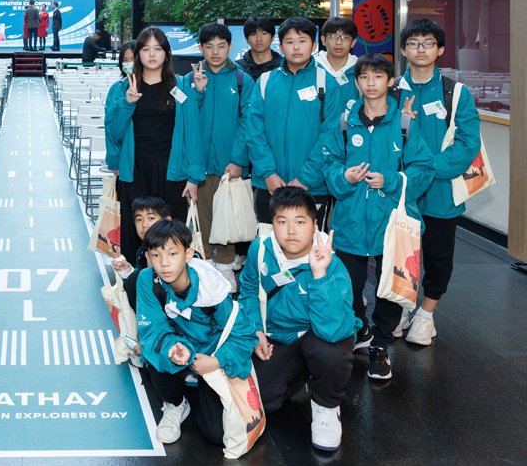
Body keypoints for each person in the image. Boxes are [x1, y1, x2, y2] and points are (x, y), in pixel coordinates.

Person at [322, 53, 434, 380]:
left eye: (378, 77)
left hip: (393, 224)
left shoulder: (405, 124)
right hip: (351, 222)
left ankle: (380, 344)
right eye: (365, 77)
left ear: (389, 82)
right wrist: (346, 177)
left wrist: (394, 180)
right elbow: (330, 166)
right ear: (356, 83)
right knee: (348, 286)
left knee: (390, 287)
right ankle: (361, 330)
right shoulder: (344, 124)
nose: (371, 83)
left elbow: (423, 168)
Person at [239, 187, 359, 451]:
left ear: (316, 225)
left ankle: (326, 405)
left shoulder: (331, 265)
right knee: (265, 400)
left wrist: (319, 275)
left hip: (318, 333)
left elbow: (334, 329)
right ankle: (304, 371)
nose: (291, 231)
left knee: (332, 353)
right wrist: (256, 330)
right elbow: (248, 288)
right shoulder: (261, 249)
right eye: (282, 221)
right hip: (278, 336)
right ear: (272, 224)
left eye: (300, 222)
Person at [394, 19, 482, 345]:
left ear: (440, 49)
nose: (421, 49)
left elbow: (467, 143)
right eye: (414, 43)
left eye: (428, 43)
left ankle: (426, 315)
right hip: (400, 190)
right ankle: (401, 305)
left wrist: (427, 169)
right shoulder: (388, 89)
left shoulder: (455, 93)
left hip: (441, 192)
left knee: (438, 257)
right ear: (403, 50)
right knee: (398, 254)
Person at [136, 220, 258, 445]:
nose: (164, 264)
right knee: (154, 350)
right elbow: (152, 329)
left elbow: (244, 335)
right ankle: (175, 404)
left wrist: (216, 361)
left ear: (188, 254)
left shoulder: (212, 288)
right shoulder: (147, 280)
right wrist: (173, 348)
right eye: (156, 255)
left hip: (213, 355)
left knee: (217, 434)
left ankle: (201, 384)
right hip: (182, 348)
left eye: (172, 253)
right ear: (148, 257)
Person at [105, 26, 203, 264]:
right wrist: (128, 104)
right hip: (134, 170)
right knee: (136, 231)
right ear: (137, 54)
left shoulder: (179, 87)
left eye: (157, 49)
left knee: (171, 235)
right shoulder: (122, 88)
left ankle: (171, 291)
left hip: (172, 171)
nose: (151, 54)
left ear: (167, 53)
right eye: (146, 49)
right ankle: (136, 286)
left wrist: (194, 178)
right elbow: (114, 133)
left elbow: (193, 133)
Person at [245, 17, 340, 228]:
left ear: (315, 46)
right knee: (269, 248)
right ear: (280, 46)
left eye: (303, 41)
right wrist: (268, 173)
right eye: (289, 42)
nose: (296, 47)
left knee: (310, 251)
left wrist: (305, 179)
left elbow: (330, 137)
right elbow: (254, 132)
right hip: (269, 184)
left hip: (312, 186)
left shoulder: (327, 83)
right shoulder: (265, 81)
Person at [189, 23, 254, 290]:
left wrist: (238, 159)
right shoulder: (190, 79)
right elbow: (187, 119)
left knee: (227, 217)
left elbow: (247, 121)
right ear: (201, 48)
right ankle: (205, 267)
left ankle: (226, 267)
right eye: (209, 46)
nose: (215, 52)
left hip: (230, 163)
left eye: (221, 46)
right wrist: (198, 93)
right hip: (199, 163)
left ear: (230, 46)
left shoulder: (242, 80)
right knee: (202, 217)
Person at [110, 195, 171, 368]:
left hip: (177, 307)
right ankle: (146, 342)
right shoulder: (141, 251)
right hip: (154, 306)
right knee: (133, 281)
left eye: (151, 218)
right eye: (139, 219)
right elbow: (140, 283)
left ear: (167, 221)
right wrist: (127, 271)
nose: (144, 224)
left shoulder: (174, 248)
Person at [105, 40, 137, 175]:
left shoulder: (169, 86)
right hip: (125, 162)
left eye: (133, 59)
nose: (129, 63)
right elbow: (111, 129)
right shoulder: (117, 89)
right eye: (125, 60)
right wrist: (114, 163)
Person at [315, 17, 361, 105]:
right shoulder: (312, 69)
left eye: (345, 37)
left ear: (353, 42)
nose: (339, 42)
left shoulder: (362, 70)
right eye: (332, 36)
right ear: (323, 40)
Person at [237, 17, 281, 81]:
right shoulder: (238, 69)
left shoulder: (284, 67)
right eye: (253, 34)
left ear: (273, 38)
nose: (259, 39)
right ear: (247, 40)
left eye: (264, 33)